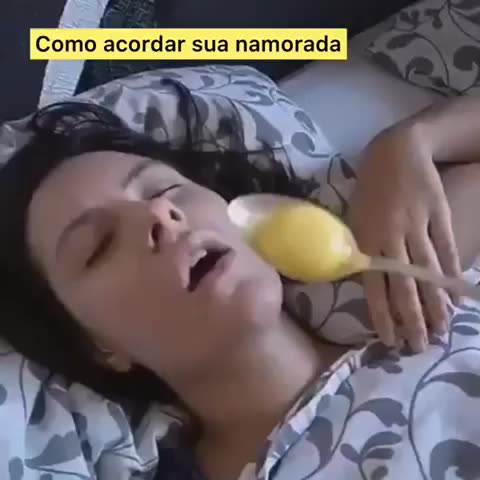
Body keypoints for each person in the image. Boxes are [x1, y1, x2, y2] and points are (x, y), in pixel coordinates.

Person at [0, 86, 479, 480]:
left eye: (165, 189)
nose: (160, 214)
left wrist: (411, 141)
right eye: (100, 245)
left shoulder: (407, 276)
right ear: (97, 346)